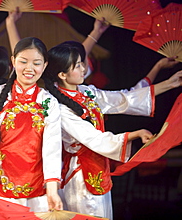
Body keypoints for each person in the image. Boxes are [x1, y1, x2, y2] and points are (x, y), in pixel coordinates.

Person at [42, 41, 182, 219]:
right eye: (78, 65)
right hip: (78, 176)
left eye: (82, 63)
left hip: (98, 167)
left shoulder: (87, 92)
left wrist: (170, 83)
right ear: (62, 74)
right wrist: (135, 134)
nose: (84, 68)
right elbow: (95, 139)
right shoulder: (58, 107)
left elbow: (124, 99)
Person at [0, 37, 63, 212]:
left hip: (38, 189)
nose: (29, 68)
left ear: (44, 66)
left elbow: (52, 147)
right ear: (13, 62)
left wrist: (52, 190)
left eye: (36, 63)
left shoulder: (48, 101)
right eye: (23, 61)